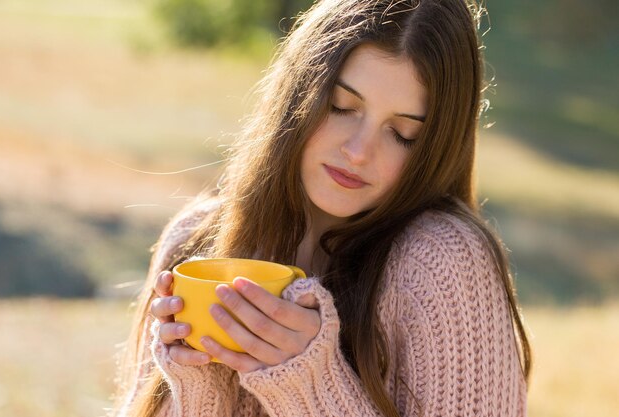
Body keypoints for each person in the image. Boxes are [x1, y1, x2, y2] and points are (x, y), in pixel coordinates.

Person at [110, 0, 531, 416]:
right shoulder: (194, 243)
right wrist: (197, 384)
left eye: (403, 134)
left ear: (434, 149)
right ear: (298, 93)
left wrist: (310, 386)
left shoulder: (443, 263)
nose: (358, 151)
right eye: (341, 107)